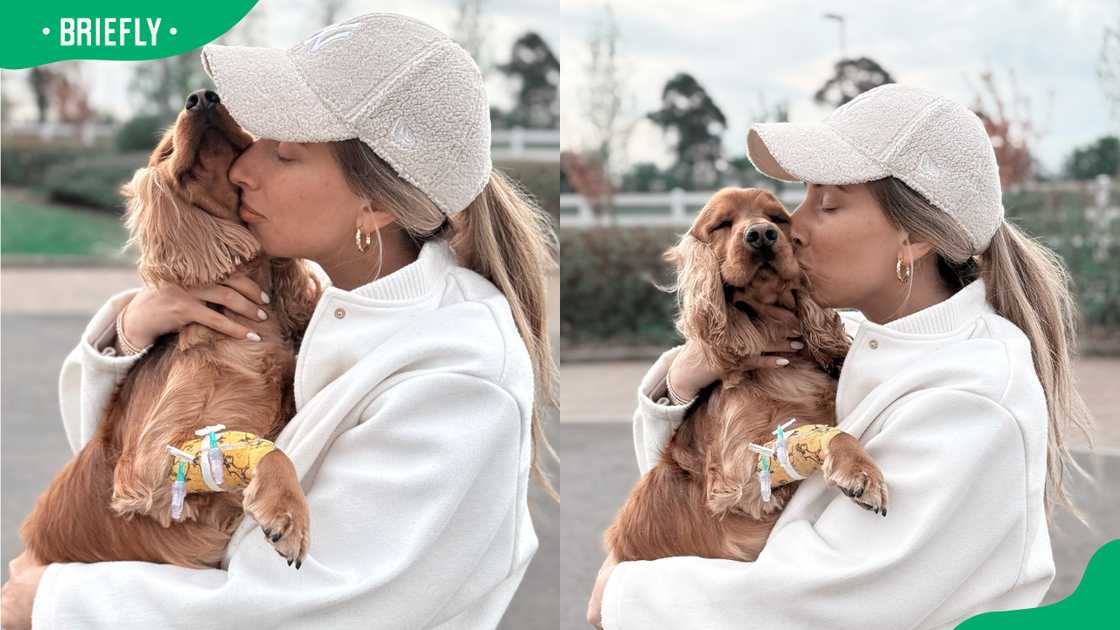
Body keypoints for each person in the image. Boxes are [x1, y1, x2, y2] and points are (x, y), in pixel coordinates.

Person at [2, 13, 556, 629]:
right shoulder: (324, 304)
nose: (241, 169)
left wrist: (53, 601)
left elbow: (314, 609)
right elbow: (148, 480)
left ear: (373, 206)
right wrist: (132, 332)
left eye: (283, 154)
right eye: (254, 139)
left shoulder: (457, 379)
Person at [587, 84, 1094, 629]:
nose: (792, 229)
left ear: (915, 238)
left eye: (826, 204)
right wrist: (682, 380)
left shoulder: (972, 398)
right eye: (802, 199)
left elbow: (828, 605)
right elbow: (711, 496)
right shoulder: (853, 339)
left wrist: (623, 593)